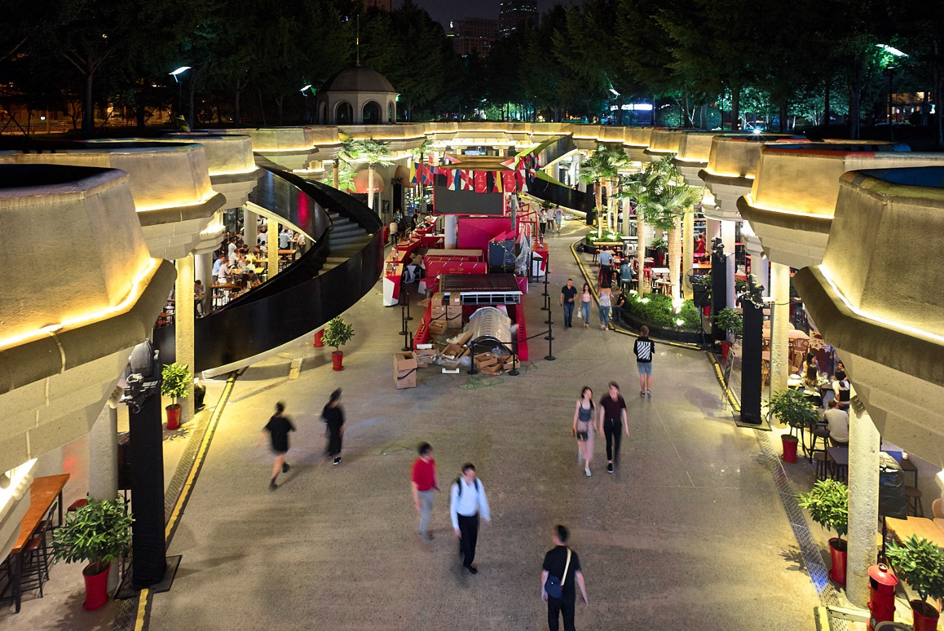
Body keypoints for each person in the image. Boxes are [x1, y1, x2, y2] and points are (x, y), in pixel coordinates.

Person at [542, 525, 588, 631]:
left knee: (553, 619)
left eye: (553, 534)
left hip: (554, 594)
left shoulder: (550, 555)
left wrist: (544, 591)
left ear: (556, 538)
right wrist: (584, 594)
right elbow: (579, 576)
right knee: (569, 623)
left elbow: (544, 575)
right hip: (568, 595)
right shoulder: (573, 555)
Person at [450, 463, 491, 574]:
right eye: (469, 475)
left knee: (472, 541)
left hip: (473, 517)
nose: (471, 478)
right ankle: (467, 562)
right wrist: (455, 526)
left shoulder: (478, 483)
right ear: (463, 474)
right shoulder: (457, 486)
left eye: (473, 475)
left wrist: (485, 515)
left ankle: (463, 548)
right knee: (467, 545)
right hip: (461, 518)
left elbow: (482, 499)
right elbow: (453, 507)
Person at [259, 402, 295, 491]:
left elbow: (267, 430)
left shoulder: (272, 419)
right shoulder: (285, 420)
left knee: (279, 457)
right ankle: (272, 483)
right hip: (282, 444)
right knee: (277, 463)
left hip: (274, 444)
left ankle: (285, 465)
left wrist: (260, 441)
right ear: (283, 410)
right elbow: (292, 429)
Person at [597, 382, 628, 474]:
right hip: (608, 423)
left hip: (617, 423)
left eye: (614, 389)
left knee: (617, 443)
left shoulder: (620, 399)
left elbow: (623, 412)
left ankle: (616, 457)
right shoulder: (605, 399)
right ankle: (610, 462)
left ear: (617, 390)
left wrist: (626, 426)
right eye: (611, 389)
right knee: (609, 443)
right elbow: (602, 412)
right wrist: (601, 427)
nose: (612, 391)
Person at [411, 443, 438, 541]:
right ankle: (422, 531)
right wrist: (417, 503)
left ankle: (423, 525)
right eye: (430, 451)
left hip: (430, 490)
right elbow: (414, 486)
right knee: (426, 514)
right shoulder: (417, 467)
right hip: (422, 493)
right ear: (426, 453)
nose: (432, 453)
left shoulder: (431, 460)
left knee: (429, 508)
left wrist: (436, 483)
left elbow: (433, 470)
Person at [572, 387, 596, 477]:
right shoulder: (579, 402)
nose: (589, 396)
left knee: (589, 445)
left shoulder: (592, 404)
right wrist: (574, 425)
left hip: (589, 425)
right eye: (587, 394)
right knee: (581, 443)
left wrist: (594, 424)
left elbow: (595, 414)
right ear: (583, 394)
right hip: (581, 425)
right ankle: (581, 449)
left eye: (590, 394)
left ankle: (587, 466)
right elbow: (576, 414)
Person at [322, 389, 345, 465]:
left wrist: (327, 422)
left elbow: (323, 416)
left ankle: (331, 452)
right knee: (337, 442)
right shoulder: (337, 409)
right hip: (337, 428)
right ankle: (336, 458)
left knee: (332, 439)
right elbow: (341, 420)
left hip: (330, 427)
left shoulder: (326, 407)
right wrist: (342, 429)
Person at [634, 325, 655, 397]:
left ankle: (643, 392)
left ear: (641, 333)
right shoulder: (651, 342)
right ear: (648, 333)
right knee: (649, 375)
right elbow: (653, 350)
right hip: (648, 361)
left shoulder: (637, 341)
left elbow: (635, 351)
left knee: (642, 375)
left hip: (640, 360)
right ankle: (648, 389)